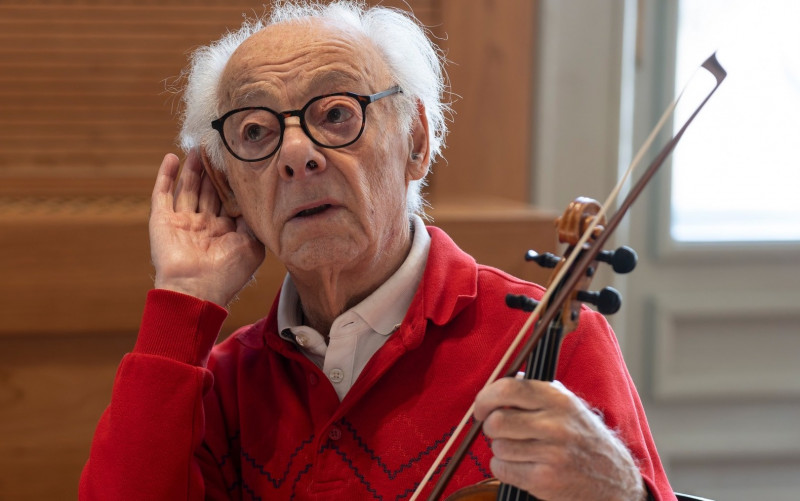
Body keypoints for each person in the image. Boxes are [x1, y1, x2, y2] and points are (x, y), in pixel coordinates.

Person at [80, 1, 674, 500]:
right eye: (255, 131)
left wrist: (619, 490)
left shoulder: (552, 341)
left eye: (337, 114)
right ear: (228, 184)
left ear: (416, 140)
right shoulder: (226, 383)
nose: (296, 155)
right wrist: (182, 297)